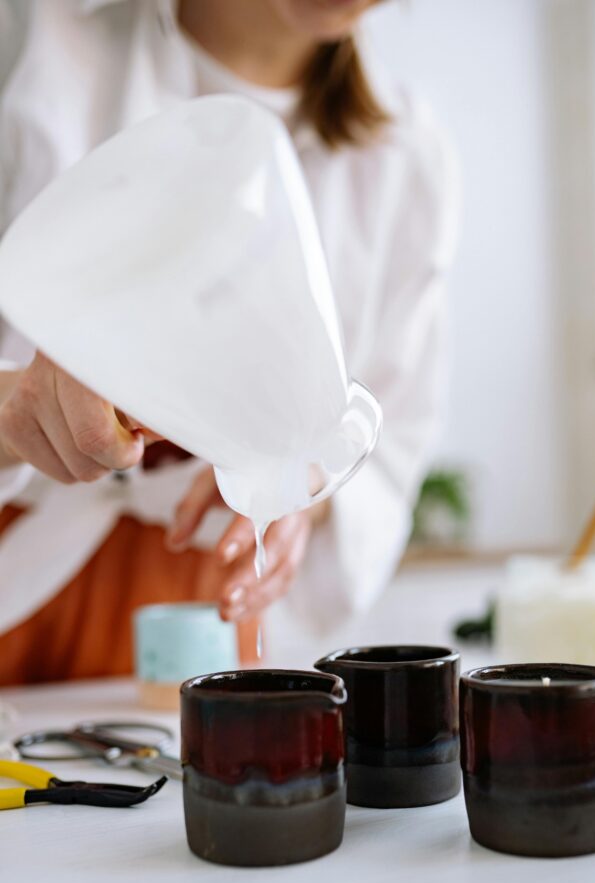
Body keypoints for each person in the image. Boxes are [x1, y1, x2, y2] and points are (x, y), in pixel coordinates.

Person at [0, 0, 457, 684]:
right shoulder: (34, 44)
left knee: (179, 787)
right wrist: (13, 410)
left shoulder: (407, 156)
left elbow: (391, 436)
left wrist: (301, 483)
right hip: (17, 561)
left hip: (197, 610)